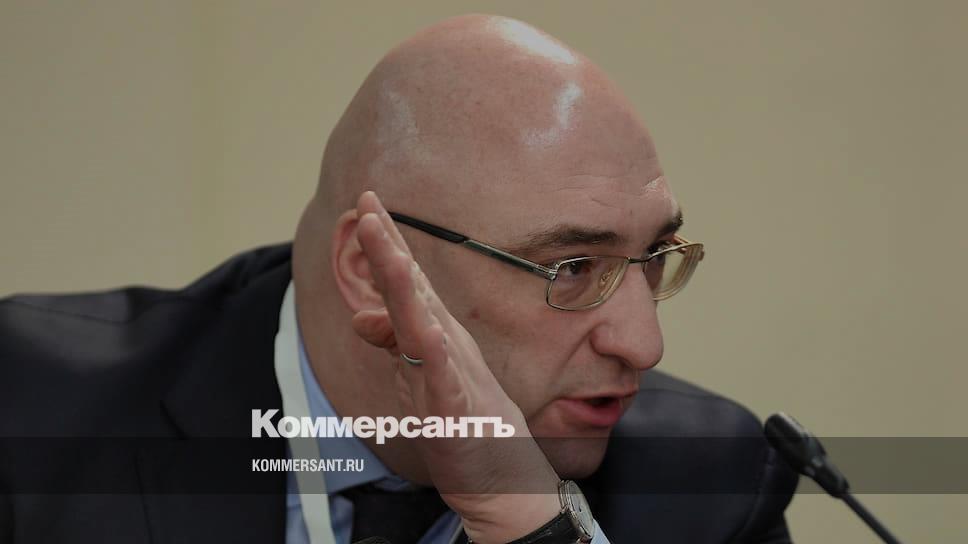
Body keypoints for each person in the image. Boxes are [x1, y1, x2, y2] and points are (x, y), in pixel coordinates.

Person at [0, 14, 797, 544]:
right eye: (572, 267)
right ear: (372, 273)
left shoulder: (710, 483)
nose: (644, 343)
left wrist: (535, 526)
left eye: (655, 257)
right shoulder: (29, 410)